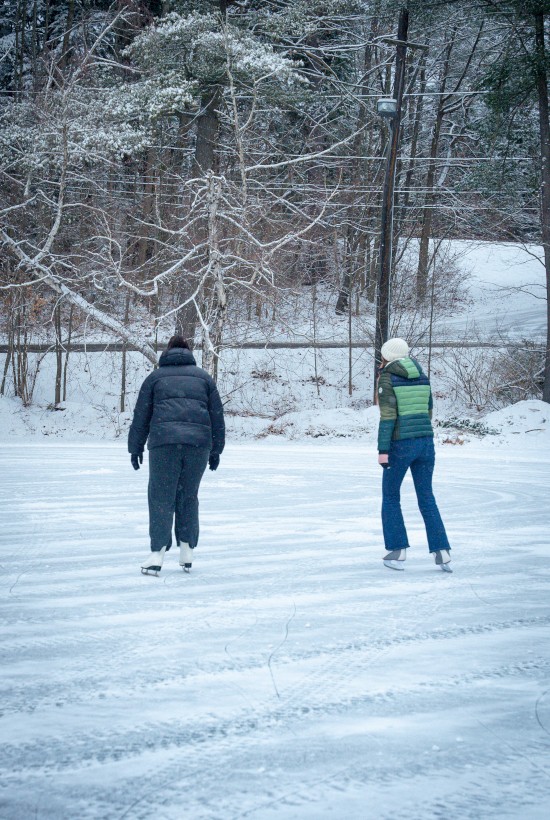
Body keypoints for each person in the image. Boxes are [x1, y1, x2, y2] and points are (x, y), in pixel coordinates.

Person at [128, 335, 225, 576]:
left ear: (167, 353)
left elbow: (141, 416)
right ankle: (187, 549)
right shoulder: (204, 378)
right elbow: (217, 417)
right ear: (189, 352)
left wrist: (135, 447)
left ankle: (157, 554)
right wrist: (216, 449)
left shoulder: (155, 378)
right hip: (197, 445)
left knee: (161, 496)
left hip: (164, 443)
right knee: (188, 496)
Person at [376, 337, 452, 573]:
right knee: (427, 497)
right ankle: (442, 551)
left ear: (387, 355)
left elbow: (387, 416)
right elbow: (429, 411)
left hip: (400, 444)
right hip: (426, 444)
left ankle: (397, 550)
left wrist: (383, 450)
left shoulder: (387, 378)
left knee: (390, 496)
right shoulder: (422, 375)